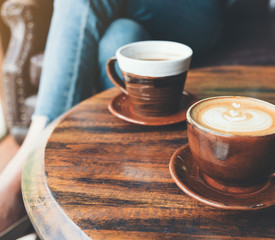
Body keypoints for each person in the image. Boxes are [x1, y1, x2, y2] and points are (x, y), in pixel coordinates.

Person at [0, 0, 225, 234]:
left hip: (197, 13)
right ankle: (127, 192)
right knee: (121, 35)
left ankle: (26, 167)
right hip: (134, 16)